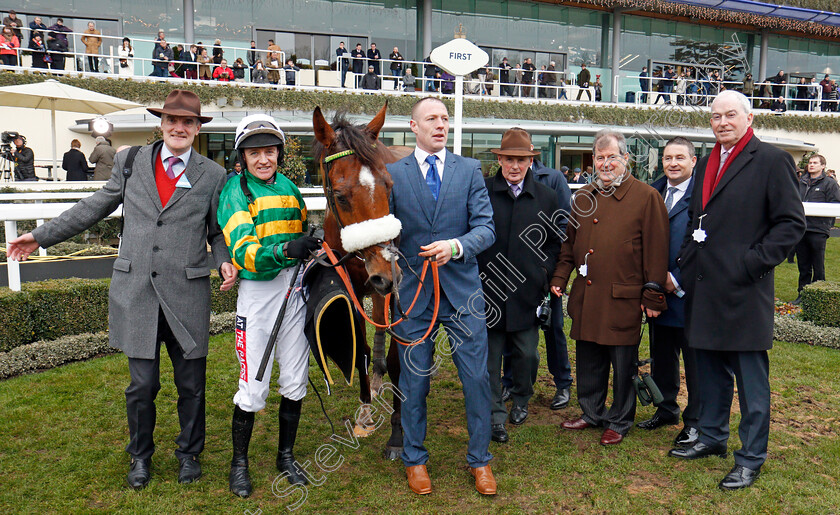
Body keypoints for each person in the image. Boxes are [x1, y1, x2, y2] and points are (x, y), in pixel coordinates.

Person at [6, 90, 238, 489]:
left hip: (187, 292)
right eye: (172, 121)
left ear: (197, 129)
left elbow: (216, 232)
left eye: (188, 122)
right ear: (160, 124)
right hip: (138, 293)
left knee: (191, 386)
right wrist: (39, 236)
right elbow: (93, 206)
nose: (179, 128)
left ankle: (189, 453)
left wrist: (223, 260)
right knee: (142, 385)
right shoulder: (131, 162)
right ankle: (140, 457)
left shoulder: (214, 175)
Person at [667, 90, 806, 490]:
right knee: (709, 374)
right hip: (704, 289)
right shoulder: (709, 160)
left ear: (749, 118)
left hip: (744, 291)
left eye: (730, 115)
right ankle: (712, 437)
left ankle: (750, 458)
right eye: (716, 116)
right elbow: (698, 218)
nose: (722, 122)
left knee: (750, 383)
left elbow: (790, 224)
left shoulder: (772, 160)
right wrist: (687, 262)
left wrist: (751, 263)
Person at [386, 97, 497, 496]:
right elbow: (387, 233)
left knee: (476, 379)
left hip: (463, 293)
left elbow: (486, 229)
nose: (440, 124)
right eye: (431, 119)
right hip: (414, 297)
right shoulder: (392, 174)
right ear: (413, 127)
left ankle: (480, 461)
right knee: (414, 382)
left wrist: (456, 246)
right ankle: (415, 460)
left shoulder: (468, 170)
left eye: (444, 119)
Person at [217, 114, 321, 498]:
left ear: (279, 153)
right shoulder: (235, 192)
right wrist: (285, 250)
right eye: (255, 152)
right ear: (242, 157)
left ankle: (286, 455)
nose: (264, 158)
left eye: (270, 151)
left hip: (295, 289)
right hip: (259, 295)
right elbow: (244, 252)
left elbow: (301, 234)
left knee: (294, 378)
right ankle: (238, 464)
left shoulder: (291, 188)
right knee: (253, 385)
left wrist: (310, 246)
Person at [550, 129, 669, 446]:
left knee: (622, 364)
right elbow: (569, 246)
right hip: (588, 296)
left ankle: (619, 419)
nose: (605, 164)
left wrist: (653, 294)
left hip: (624, 300)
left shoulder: (646, 197)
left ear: (626, 159)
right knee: (589, 357)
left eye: (611, 157)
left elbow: (657, 251)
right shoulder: (584, 197)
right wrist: (560, 278)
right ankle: (591, 412)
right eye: (599, 158)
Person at [481, 128, 563, 444]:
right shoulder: (483, 192)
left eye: (522, 159)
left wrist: (543, 274)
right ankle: (496, 417)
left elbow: (555, 243)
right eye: (509, 159)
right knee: (489, 363)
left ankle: (522, 398)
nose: (515, 165)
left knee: (528, 356)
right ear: (500, 159)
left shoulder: (547, 196)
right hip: (487, 295)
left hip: (527, 295)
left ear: (530, 161)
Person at [639, 137, 700, 447]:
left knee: (695, 362)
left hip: (690, 295)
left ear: (693, 161)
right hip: (657, 295)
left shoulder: (705, 195)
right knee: (663, 357)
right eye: (667, 158)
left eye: (680, 157)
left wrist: (676, 280)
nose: (672, 163)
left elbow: (707, 245)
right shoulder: (653, 192)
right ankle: (666, 410)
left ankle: (696, 422)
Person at [793, 154, 840, 304]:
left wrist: (826, 224)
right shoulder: (800, 182)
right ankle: (802, 294)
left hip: (818, 230)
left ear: (822, 166)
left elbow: (835, 204)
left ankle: (819, 296)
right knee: (803, 265)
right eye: (810, 163)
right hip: (801, 229)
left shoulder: (830, 184)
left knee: (817, 265)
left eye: (815, 163)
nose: (811, 165)